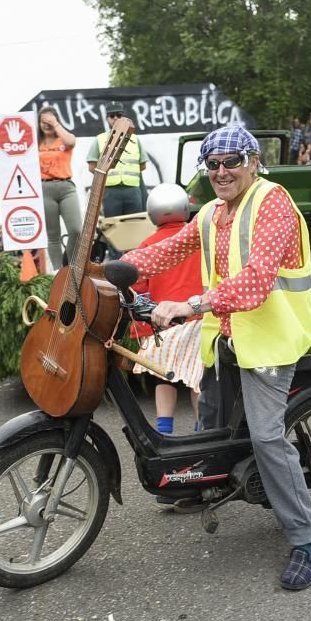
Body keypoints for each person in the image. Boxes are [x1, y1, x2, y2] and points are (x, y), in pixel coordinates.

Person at [122, 126, 311, 591]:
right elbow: (171, 248)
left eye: (231, 160)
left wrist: (188, 305)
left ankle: (305, 541)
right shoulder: (213, 212)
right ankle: (207, 484)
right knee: (213, 421)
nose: (220, 171)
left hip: (271, 338)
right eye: (211, 164)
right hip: (228, 335)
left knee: (267, 437)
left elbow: (255, 282)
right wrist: (117, 270)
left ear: (253, 161)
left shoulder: (273, 203)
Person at [128, 184, 204, 440]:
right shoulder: (197, 241)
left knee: (164, 380)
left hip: (165, 326)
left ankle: (164, 432)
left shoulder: (148, 246)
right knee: (198, 381)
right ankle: (202, 431)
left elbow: (136, 289)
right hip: (198, 320)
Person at [38, 107, 83, 270]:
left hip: (66, 186)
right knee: (53, 235)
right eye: (44, 121)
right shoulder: (37, 143)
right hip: (45, 188)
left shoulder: (63, 139)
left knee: (77, 230)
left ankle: (70, 264)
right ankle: (58, 270)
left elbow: (71, 141)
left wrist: (55, 123)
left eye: (50, 120)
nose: (47, 124)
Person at [87, 102, 148, 219]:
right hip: (110, 191)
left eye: (119, 115)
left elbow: (142, 165)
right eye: (112, 115)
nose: (115, 118)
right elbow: (91, 166)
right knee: (112, 227)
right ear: (107, 118)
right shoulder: (100, 139)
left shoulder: (135, 139)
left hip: (133, 190)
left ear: (123, 117)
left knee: (135, 226)